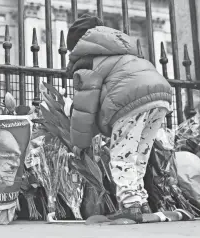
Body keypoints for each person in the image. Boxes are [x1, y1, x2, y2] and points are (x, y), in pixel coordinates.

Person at [66, 14, 172, 222]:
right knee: (139, 153)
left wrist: (79, 143)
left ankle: (130, 204)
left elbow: (84, 107)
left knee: (122, 153)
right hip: (160, 96)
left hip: (129, 101)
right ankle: (140, 201)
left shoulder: (88, 60)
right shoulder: (120, 49)